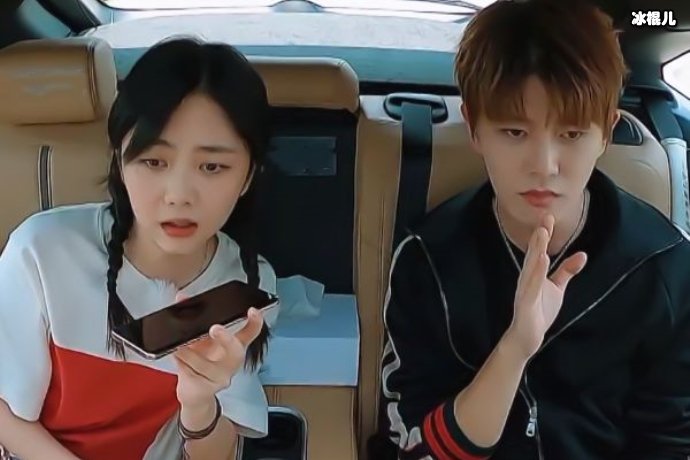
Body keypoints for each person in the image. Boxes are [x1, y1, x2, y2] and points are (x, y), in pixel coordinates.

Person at [379, 1, 690, 459]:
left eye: (571, 134)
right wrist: (514, 349)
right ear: (474, 128)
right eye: (514, 133)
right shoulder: (428, 260)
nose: (544, 166)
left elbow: (672, 442)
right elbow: (414, 449)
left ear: (606, 132)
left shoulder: (664, 267)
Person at [0, 38, 278, 460]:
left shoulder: (243, 286)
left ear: (248, 177)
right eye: (154, 162)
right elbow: (6, 413)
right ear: (120, 161)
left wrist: (199, 401)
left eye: (212, 167)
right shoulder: (41, 251)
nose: (178, 195)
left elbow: (218, 452)